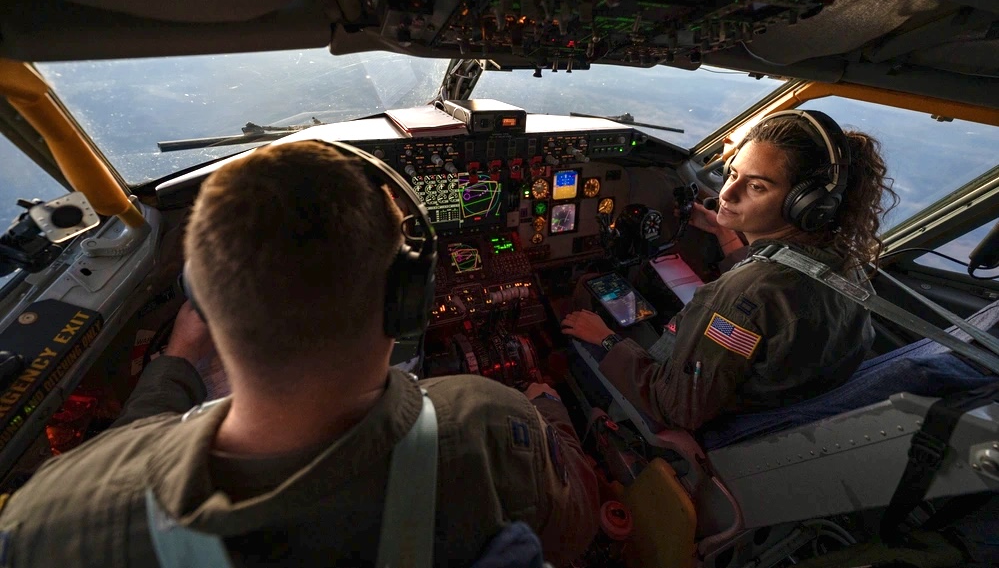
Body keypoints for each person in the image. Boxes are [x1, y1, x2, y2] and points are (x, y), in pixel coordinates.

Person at [0, 140, 599, 566]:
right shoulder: (485, 422)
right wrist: (551, 410)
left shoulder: (48, 518)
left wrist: (176, 363)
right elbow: (574, 532)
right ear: (408, 305)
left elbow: (130, 454)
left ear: (205, 309)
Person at [562, 110, 898, 431]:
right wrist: (726, 235)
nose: (726, 193)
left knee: (572, 332)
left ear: (805, 204)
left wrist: (606, 340)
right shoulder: (844, 263)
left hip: (695, 422)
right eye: (733, 174)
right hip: (776, 406)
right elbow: (772, 297)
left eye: (757, 186)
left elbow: (675, 406)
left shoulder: (739, 295)